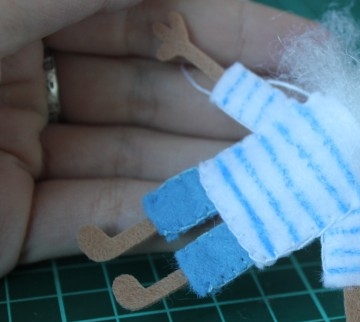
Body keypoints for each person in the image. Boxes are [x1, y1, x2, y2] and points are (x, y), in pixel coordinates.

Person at [0, 0, 314, 278]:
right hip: (227, 173)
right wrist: (187, 50)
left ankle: (150, 285)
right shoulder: (293, 117)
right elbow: (243, 93)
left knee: (221, 238)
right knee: (184, 205)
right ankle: (121, 249)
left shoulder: (309, 154)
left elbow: (244, 94)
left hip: (248, 186)